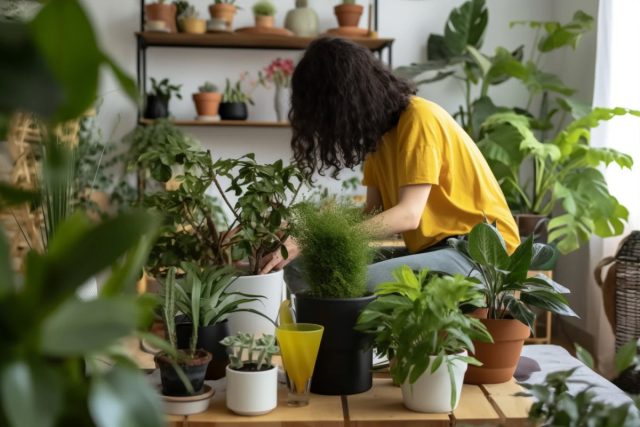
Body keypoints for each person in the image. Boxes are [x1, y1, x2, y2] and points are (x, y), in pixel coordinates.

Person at [259, 37, 520, 291]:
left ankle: (341, 335)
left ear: (344, 100)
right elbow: (370, 212)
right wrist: (301, 230)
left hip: (480, 254)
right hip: (435, 251)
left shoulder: (419, 118)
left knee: (353, 281)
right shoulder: (380, 139)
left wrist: (313, 239)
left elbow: (408, 215)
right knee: (302, 266)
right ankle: (318, 335)